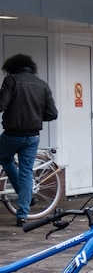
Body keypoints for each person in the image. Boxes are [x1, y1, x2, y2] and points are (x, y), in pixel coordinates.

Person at [0, 54, 58, 226]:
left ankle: (24, 194)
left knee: (4, 158)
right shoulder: (42, 85)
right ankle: (23, 214)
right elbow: (52, 114)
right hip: (33, 136)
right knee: (26, 173)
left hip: (12, 134)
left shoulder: (11, 80)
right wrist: (34, 116)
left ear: (12, 67)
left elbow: (1, 104)